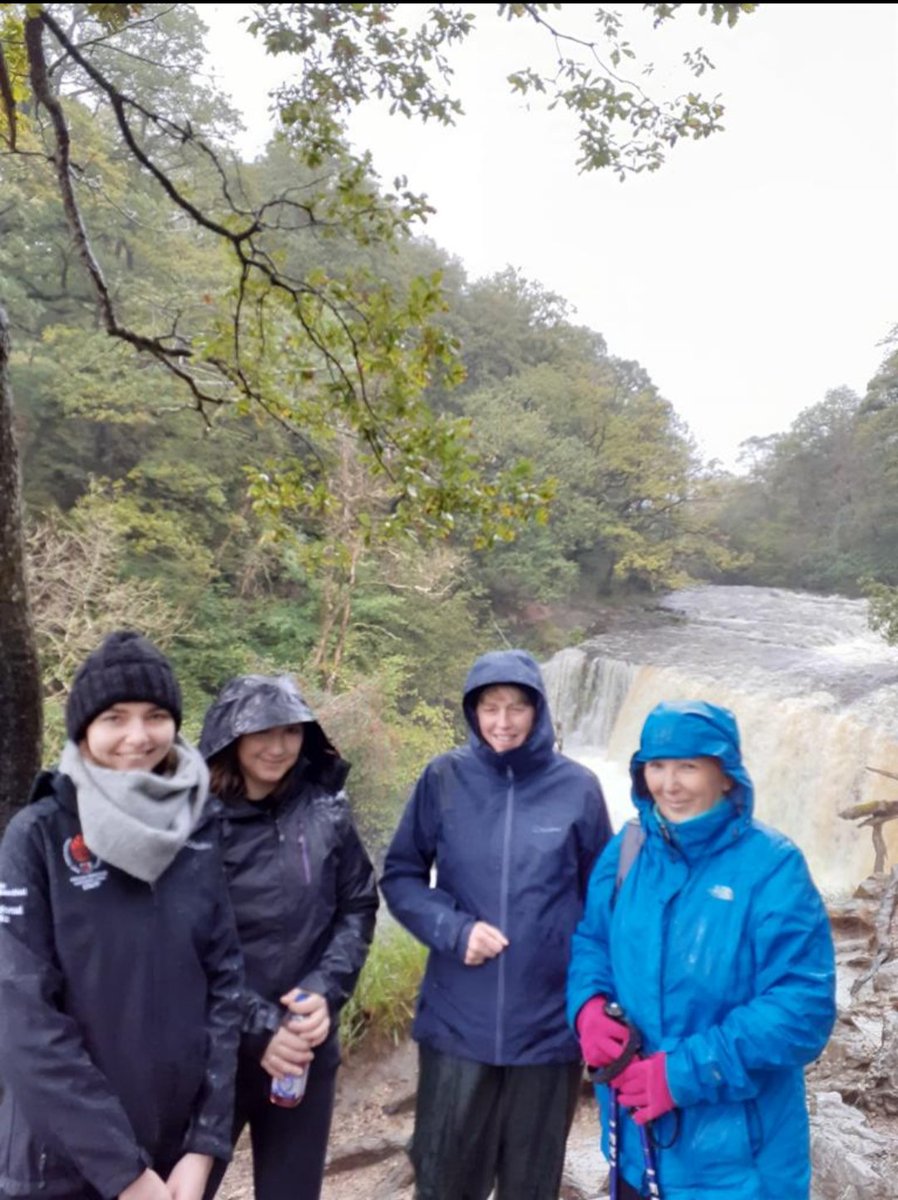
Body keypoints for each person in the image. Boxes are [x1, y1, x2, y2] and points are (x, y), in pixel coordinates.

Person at [0, 630, 243, 1200]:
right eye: (115, 717)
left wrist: (205, 1144)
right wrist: (124, 1174)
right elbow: (23, 1019)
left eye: (156, 715)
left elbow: (225, 988)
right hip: (60, 1168)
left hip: (176, 1163)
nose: (138, 736)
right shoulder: (36, 838)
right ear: (84, 727)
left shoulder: (197, 830)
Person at [567, 699, 837, 1200]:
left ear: (727, 775)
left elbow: (803, 1009)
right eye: (657, 765)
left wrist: (680, 1075)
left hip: (739, 1172)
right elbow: (593, 941)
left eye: (689, 766)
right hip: (634, 1144)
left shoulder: (773, 869)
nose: (669, 784)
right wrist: (586, 1007)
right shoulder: (627, 850)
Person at [381, 648, 613, 1200]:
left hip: (549, 1028)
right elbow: (401, 876)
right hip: (458, 1024)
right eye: (490, 707)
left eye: (516, 707)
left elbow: (603, 903)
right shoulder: (443, 778)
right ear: (472, 710)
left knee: (530, 1187)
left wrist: (597, 998)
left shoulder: (577, 788)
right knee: (443, 1183)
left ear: (538, 711)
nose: (503, 722)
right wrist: (454, 930)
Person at [198, 674, 379, 1200]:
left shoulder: (327, 811)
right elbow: (178, 946)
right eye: (262, 733)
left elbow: (358, 904)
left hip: (304, 1048)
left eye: (290, 732)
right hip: (213, 1053)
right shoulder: (191, 824)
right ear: (231, 737)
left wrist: (324, 991)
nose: (277, 748)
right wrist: (259, 1027)